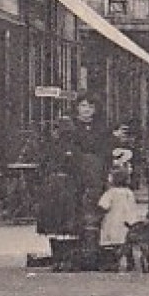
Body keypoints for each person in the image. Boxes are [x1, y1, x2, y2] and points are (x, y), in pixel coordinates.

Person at [36, 116, 85, 271]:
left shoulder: (58, 147)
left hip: (60, 187)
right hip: (60, 187)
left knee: (59, 224)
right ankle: (62, 260)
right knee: (61, 224)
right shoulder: (55, 147)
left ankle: (61, 259)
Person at [97, 168, 142, 266]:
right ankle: (130, 262)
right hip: (127, 221)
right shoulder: (129, 193)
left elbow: (104, 205)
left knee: (113, 242)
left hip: (113, 220)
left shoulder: (111, 192)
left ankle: (113, 262)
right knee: (126, 240)